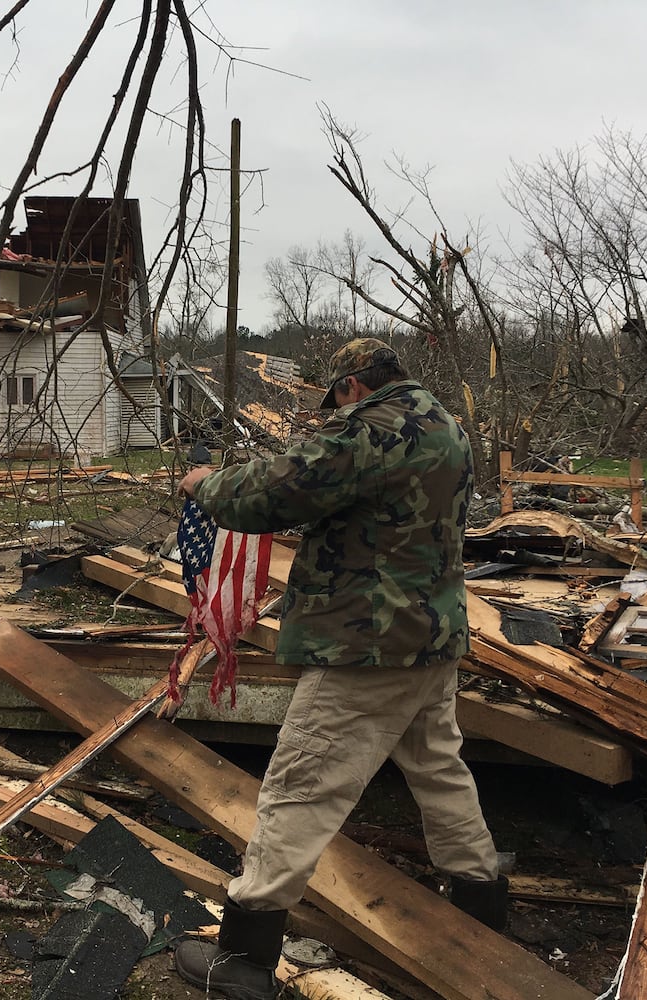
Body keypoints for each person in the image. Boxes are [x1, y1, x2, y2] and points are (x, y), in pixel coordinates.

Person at [173, 338, 507, 1000]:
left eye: (338, 399)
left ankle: (244, 953)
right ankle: (481, 905)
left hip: (366, 644)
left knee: (301, 785)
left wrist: (205, 484)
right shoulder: (443, 424)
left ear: (353, 386)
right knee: (438, 770)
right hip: (430, 635)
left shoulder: (371, 432)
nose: (337, 409)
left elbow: (273, 493)